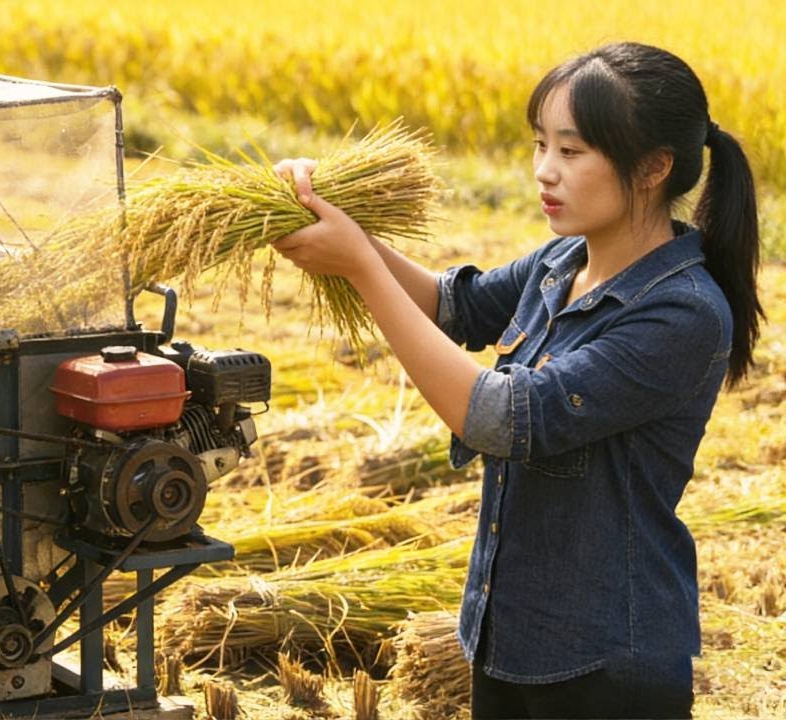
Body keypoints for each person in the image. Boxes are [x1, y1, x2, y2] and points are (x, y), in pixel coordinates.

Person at [271, 42, 762, 720]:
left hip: (605, 664)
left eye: (572, 151)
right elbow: (454, 306)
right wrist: (329, 217)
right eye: (540, 145)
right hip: (507, 636)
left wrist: (358, 266)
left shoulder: (682, 313)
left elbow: (500, 419)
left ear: (653, 167)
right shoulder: (565, 260)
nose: (545, 172)